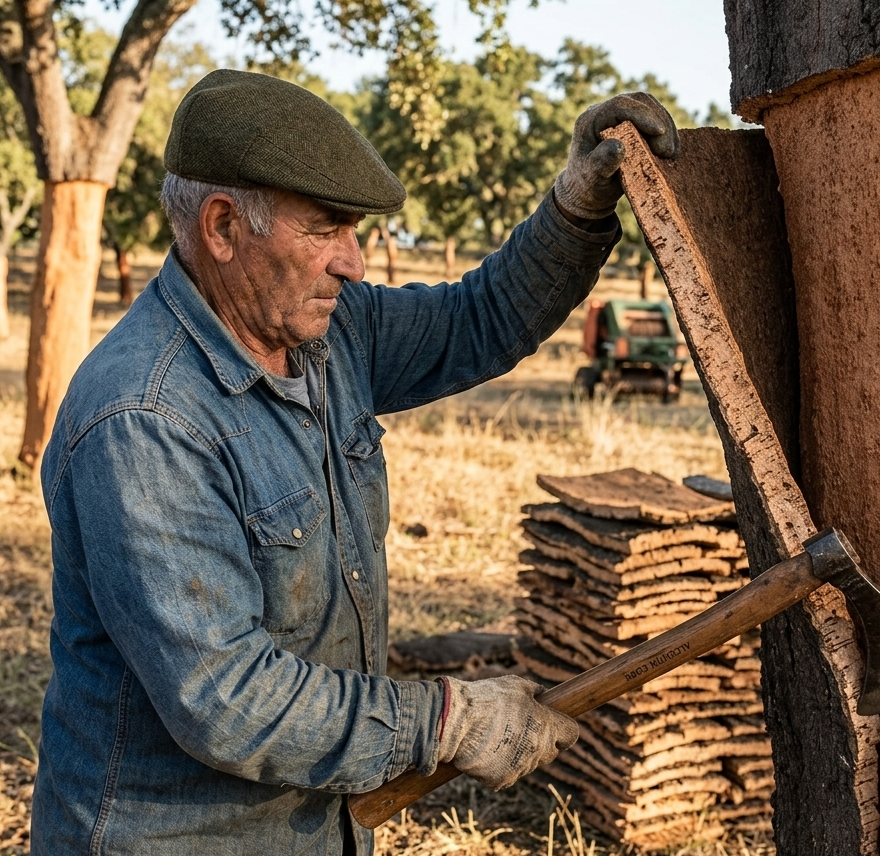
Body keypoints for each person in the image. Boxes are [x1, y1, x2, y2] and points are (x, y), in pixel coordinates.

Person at [32, 70, 679, 855]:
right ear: (224, 226)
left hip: (314, 830)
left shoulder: (329, 334)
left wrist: (575, 205)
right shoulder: (144, 417)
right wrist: (446, 721)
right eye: (326, 227)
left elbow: (481, 317)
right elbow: (226, 698)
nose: (355, 262)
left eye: (357, 230)